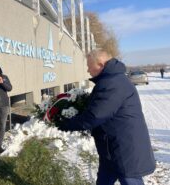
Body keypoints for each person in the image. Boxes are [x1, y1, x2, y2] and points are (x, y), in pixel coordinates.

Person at [59, 49, 155, 185]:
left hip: (124, 150)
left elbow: (95, 115)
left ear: (100, 64)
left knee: (129, 180)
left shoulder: (112, 83)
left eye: (89, 65)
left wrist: (66, 124)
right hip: (112, 149)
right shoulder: (112, 79)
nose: (87, 70)